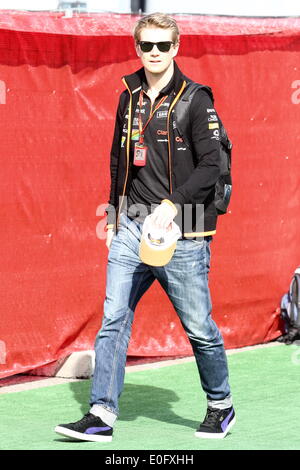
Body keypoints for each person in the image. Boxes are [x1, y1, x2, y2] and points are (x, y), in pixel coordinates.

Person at [54, 12, 235, 442]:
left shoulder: (196, 100)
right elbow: (118, 161)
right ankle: (101, 413)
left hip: (184, 229)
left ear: (177, 47)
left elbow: (212, 164)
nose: (155, 53)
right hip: (132, 226)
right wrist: (116, 218)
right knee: (113, 319)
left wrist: (172, 207)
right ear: (137, 48)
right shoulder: (128, 95)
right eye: (147, 46)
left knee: (199, 328)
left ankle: (220, 405)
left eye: (163, 46)